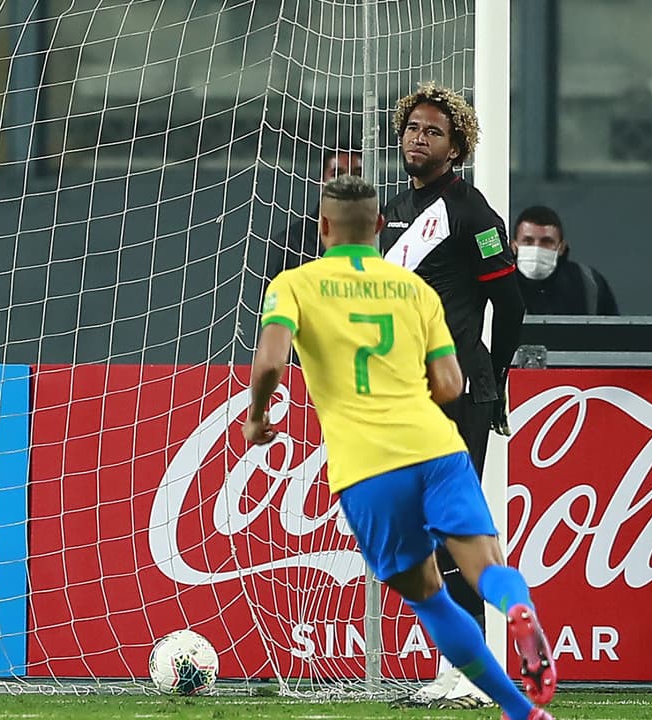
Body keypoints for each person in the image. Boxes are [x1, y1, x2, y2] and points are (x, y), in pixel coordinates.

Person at [246, 174, 556, 720]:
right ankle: (517, 609)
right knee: (485, 567)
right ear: (379, 227)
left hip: (369, 467)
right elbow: (451, 384)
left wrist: (256, 417)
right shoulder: (415, 290)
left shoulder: (294, 285)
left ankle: (521, 710)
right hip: (437, 447)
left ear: (323, 227)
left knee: (430, 596)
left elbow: (271, 361)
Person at [377, 82, 527, 709]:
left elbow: (510, 304)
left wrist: (494, 375)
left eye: (433, 131)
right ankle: (454, 668)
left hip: (458, 389)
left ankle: (477, 673)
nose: (419, 137)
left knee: (455, 525)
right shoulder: (393, 210)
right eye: (413, 127)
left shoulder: (472, 214)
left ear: (456, 148)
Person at [511, 205, 619, 315]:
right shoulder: (503, 284)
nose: (537, 248)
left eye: (546, 242)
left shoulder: (588, 283)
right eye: (528, 241)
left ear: (561, 247)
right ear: (514, 246)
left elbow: (611, 324)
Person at [272, 147, 363, 272]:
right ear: (321, 183)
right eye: (337, 174)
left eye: (357, 175)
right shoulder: (291, 243)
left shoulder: (385, 232)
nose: (348, 183)